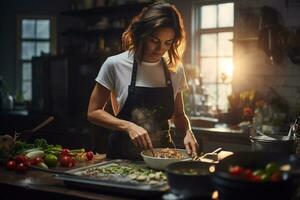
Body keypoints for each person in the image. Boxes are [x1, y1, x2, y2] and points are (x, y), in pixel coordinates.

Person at [87, 2, 199, 160]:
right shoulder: (114, 64)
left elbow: (179, 114)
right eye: (154, 40)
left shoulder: (174, 68)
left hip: (162, 156)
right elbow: (93, 112)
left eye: (168, 43)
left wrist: (188, 132)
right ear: (142, 34)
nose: (160, 49)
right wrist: (128, 126)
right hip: (122, 158)